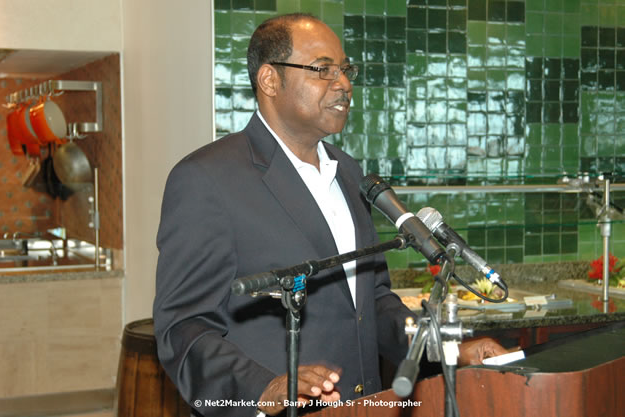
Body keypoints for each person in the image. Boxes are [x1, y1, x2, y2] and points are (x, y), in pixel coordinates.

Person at [153, 13, 508, 417]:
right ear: (270, 80)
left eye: (345, 70)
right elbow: (184, 327)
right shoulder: (207, 179)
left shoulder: (350, 172)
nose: (343, 84)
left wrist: (449, 350)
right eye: (323, 69)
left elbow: (373, 303)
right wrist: (261, 389)